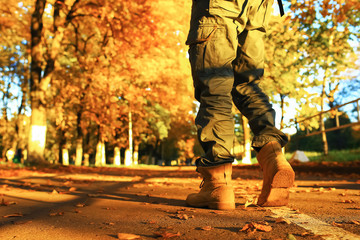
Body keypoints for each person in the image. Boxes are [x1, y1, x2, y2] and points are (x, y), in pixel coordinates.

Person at [185, 0, 295, 210]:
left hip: (219, 4)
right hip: (259, 5)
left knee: (214, 82)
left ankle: (217, 185)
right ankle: (273, 156)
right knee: (248, 84)